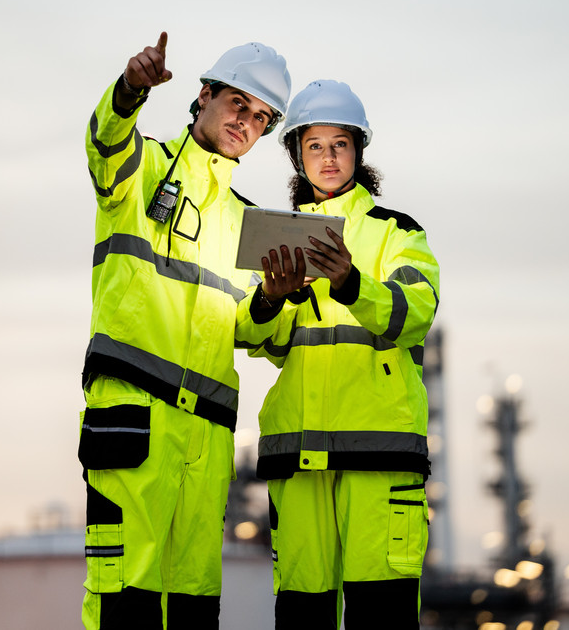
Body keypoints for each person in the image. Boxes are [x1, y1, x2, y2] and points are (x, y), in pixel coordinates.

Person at [78, 32, 292, 629]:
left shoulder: (246, 220)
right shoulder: (143, 167)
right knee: (126, 596)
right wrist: (128, 91)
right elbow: (104, 144)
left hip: (208, 434)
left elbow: (245, 327)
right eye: (238, 105)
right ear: (204, 96)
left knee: (194, 604)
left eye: (260, 118)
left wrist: (272, 299)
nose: (245, 123)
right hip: (136, 418)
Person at [236, 80, 441, 629]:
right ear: (298, 154)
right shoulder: (278, 240)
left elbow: (413, 312)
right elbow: (263, 341)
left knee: (382, 616)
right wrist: (269, 298)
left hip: (379, 457)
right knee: (303, 615)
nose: (328, 157)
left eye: (340, 144)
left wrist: (350, 282)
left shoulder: (397, 233)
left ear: (358, 151)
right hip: (299, 457)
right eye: (315, 145)